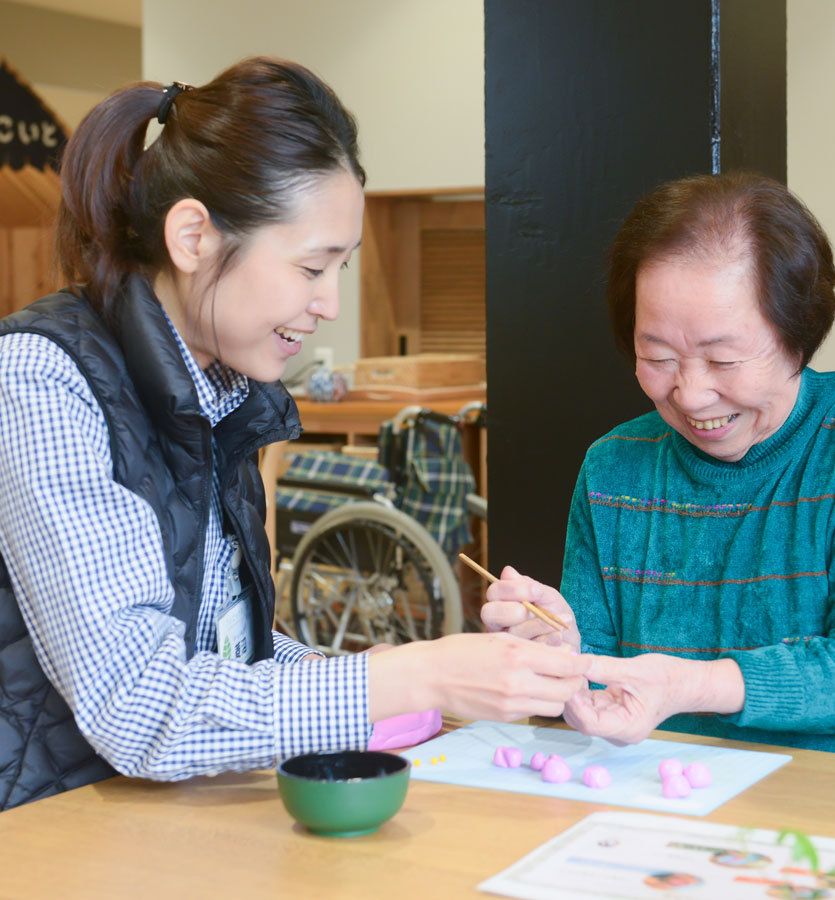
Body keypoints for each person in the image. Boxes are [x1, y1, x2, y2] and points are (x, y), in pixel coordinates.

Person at [0, 57, 591, 811]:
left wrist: (414, 678)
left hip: (152, 821)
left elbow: (225, 652)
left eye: (342, 267)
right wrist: (412, 678)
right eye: (313, 267)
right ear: (193, 237)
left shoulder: (223, 390)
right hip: (46, 830)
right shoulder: (41, 379)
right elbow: (138, 703)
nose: (331, 304)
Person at [482, 171, 835, 756]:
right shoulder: (614, 468)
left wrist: (692, 685)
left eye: (723, 359)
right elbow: (594, 693)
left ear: (798, 335)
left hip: (834, 812)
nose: (691, 394)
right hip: (657, 803)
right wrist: (560, 659)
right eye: (658, 356)